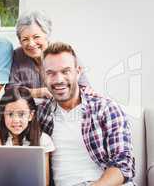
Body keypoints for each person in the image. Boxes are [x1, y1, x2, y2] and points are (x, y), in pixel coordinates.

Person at [38, 42, 135, 186]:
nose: (58, 79)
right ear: (43, 75)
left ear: (78, 72)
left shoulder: (105, 108)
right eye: (51, 73)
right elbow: (8, 119)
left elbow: (124, 164)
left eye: (65, 71)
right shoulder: (41, 113)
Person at [8, 11, 89, 99]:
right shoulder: (17, 56)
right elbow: (10, 91)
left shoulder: (65, 53)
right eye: (25, 39)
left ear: (47, 35)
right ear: (20, 41)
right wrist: (38, 92)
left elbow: (85, 88)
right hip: (29, 111)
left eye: (36, 37)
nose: (31, 43)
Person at [0, 86, 55, 186]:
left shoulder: (43, 140)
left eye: (21, 114)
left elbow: (44, 183)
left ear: (31, 115)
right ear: (2, 115)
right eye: (10, 114)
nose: (15, 120)